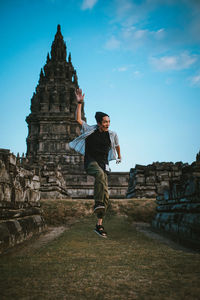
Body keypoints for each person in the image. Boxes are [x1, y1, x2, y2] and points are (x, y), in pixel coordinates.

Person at [69, 88, 122, 238]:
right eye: (105, 122)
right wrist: (80, 103)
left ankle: (99, 225)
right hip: (91, 163)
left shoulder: (112, 134)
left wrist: (119, 156)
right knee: (99, 175)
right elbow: (79, 120)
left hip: (104, 163)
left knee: (105, 194)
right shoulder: (90, 130)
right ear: (99, 123)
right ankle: (98, 203)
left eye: (109, 121)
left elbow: (117, 144)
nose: (108, 124)